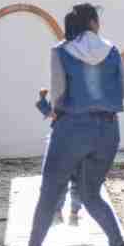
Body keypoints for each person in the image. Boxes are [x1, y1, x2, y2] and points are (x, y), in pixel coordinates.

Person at [12, 4, 124, 246]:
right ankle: (118, 245)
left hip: (71, 129)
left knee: (50, 190)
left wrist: (56, 110)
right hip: (108, 130)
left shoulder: (60, 51)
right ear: (93, 23)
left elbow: (58, 92)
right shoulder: (112, 50)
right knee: (90, 193)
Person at [35, 87, 83, 225]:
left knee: (61, 180)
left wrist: (42, 99)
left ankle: (60, 213)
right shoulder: (84, 96)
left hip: (62, 140)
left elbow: (49, 112)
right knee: (78, 181)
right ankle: (73, 214)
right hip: (79, 141)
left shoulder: (60, 95)